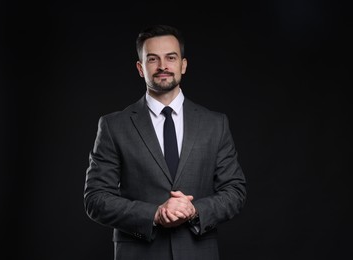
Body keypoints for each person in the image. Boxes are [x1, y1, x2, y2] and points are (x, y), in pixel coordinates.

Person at [84, 24, 247, 260]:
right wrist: (155, 214)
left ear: (183, 64)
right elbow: (95, 198)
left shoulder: (215, 123)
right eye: (153, 59)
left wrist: (195, 210)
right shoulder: (113, 126)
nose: (163, 66)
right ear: (140, 68)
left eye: (171, 57)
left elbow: (235, 190)